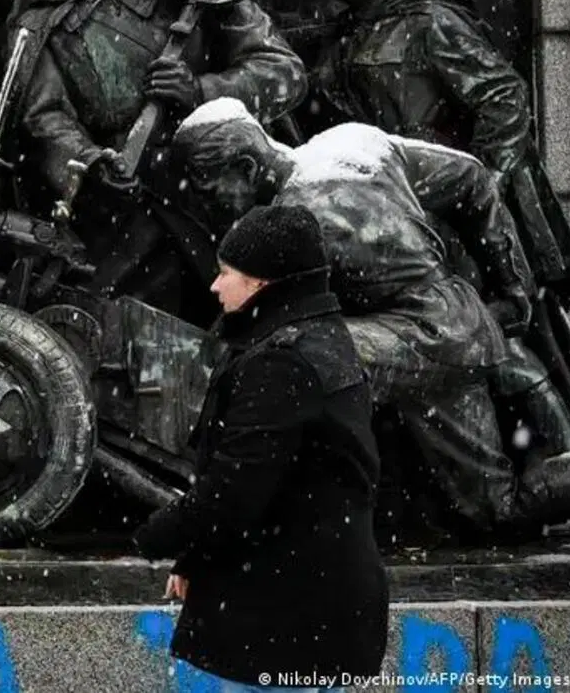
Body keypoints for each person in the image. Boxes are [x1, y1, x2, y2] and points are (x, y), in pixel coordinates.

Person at [170, 101, 570, 540]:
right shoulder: (352, 142)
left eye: (211, 191)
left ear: (248, 167)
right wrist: (511, 284)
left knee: (294, 357)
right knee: (490, 511)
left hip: (431, 341)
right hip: (455, 324)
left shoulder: (295, 227)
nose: (212, 206)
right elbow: (474, 179)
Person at [13, 0, 306, 325]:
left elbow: (283, 73)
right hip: (115, 207)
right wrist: (88, 162)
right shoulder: (50, 14)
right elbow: (43, 114)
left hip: (211, 194)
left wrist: (200, 90)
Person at [134, 204, 387, 691]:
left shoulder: (282, 364)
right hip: (318, 599)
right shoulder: (325, 340)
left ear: (261, 284)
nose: (215, 285)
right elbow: (284, 482)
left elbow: (235, 491)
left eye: (226, 273)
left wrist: (150, 541)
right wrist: (196, 557)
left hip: (282, 617)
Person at [301, 0, 570, 295]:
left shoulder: (431, 21)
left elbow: (503, 96)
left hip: (435, 191)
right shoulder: (346, 34)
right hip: (377, 187)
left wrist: (483, 180)